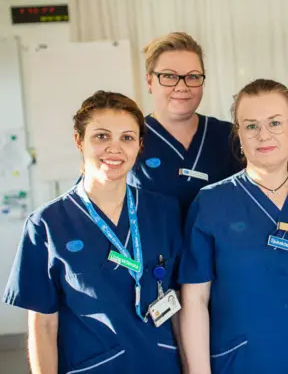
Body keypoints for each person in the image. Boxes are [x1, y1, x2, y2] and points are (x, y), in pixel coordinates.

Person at [3, 91, 183, 373]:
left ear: (139, 145)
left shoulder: (164, 212)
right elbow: (43, 326)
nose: (114, 148)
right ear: (79, 140)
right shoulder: (46, 225)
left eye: (127, 138)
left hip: (161, 364)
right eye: (101, 136)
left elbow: (182, 302)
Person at [178, 79, 288, 374]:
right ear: (239, 133)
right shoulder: (211, 203)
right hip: (243, 361)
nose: (264, 135)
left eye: (274, 123)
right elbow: (195, 299)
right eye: (251, 126)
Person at [128, 32, 241, 215]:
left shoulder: (228, 136)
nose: (182, 87)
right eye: (169, 76)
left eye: (193, 77)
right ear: (149, 81)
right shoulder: (129, 138)